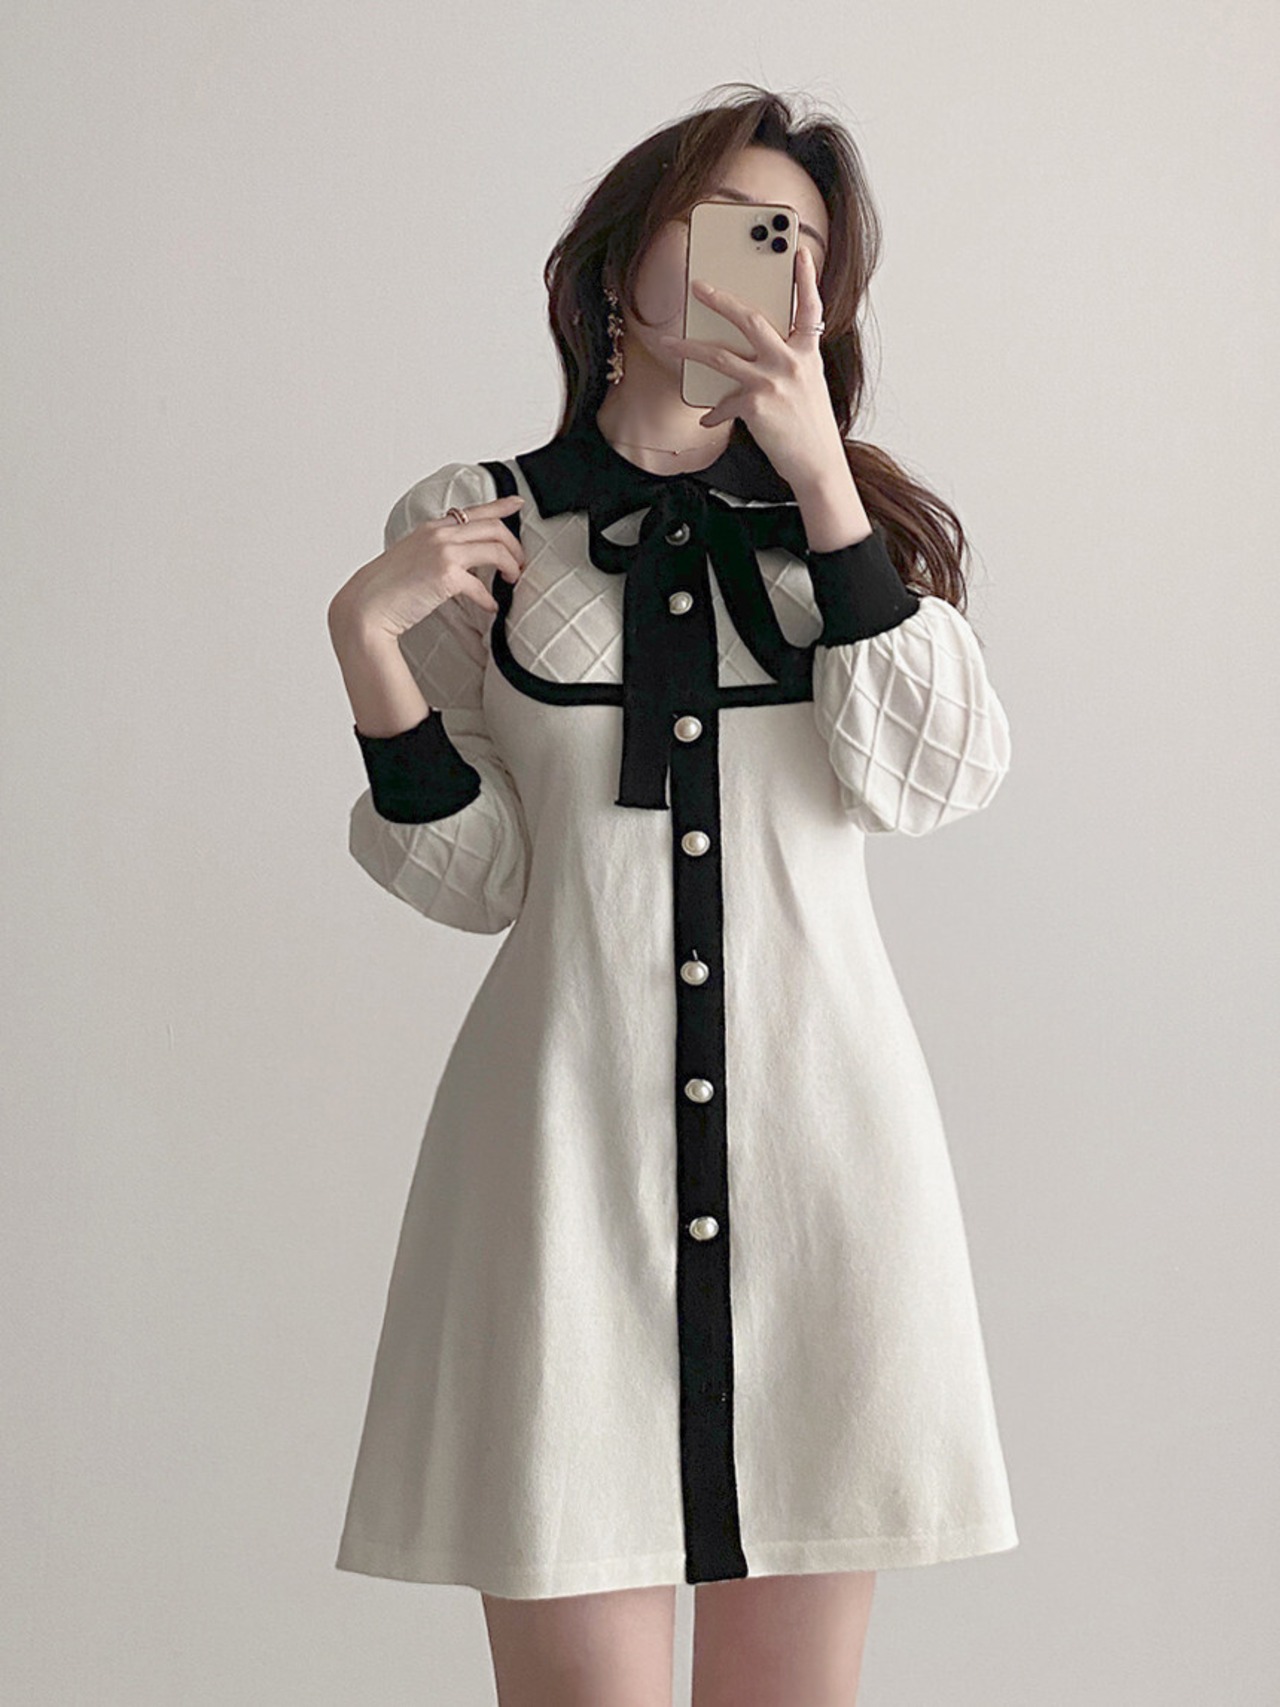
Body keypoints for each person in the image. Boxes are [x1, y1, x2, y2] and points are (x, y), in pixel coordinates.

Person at [326, 83, 1018, 1707]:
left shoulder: (850, 539)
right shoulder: (477, 524)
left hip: (824, 1174)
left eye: (806, 248)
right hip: (562, 1176)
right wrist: (367, 652)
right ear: (625, 262)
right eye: (735, 229)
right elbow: (488, 879)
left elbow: (936, 781)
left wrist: (822, 478)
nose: (774, 271)